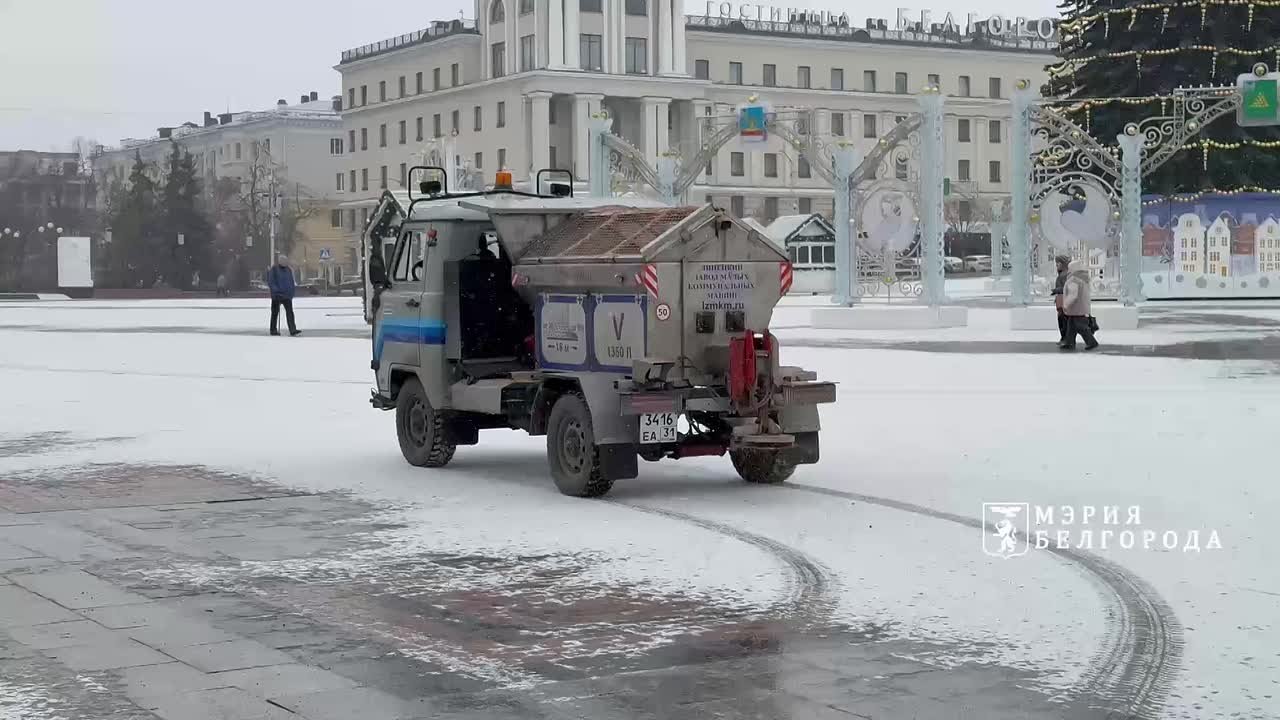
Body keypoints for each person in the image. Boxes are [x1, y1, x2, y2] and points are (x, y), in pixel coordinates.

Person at [1060, 259, 1097, 350]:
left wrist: (1066, 304)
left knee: (1081, 327)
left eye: (1069, 268)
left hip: (1076, 308)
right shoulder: (1083, 278)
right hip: (1080, 307)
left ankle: (1091, 342)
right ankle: (1069, 342)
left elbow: (1073, 295)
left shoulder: (1074, 280)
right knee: (1071, 326)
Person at [266, 254, 301, 336]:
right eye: (284, 261)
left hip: (287, 296)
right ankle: (273, 330)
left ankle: (292, 329)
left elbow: (291, 282)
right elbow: (271, 282)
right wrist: (276, 291)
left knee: (290, 313)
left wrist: (292, 292)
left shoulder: (288, 270)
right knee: (275, 313)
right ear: (280, 262)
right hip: (277, 296)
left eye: (286, 261)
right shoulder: (274, 269)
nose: (286, 263)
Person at [1051, 255, 1070, 345]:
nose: (1056, 265)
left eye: (1058, 263)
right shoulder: (1062, 274)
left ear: (1063, 264)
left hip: (1064, 302)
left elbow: (1067, 288)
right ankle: (1064, 338)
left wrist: (1056, 290)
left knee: (1063, 321)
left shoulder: (1065, 275)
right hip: (1061, 301)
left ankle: (1065, 339)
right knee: (1063, 321)